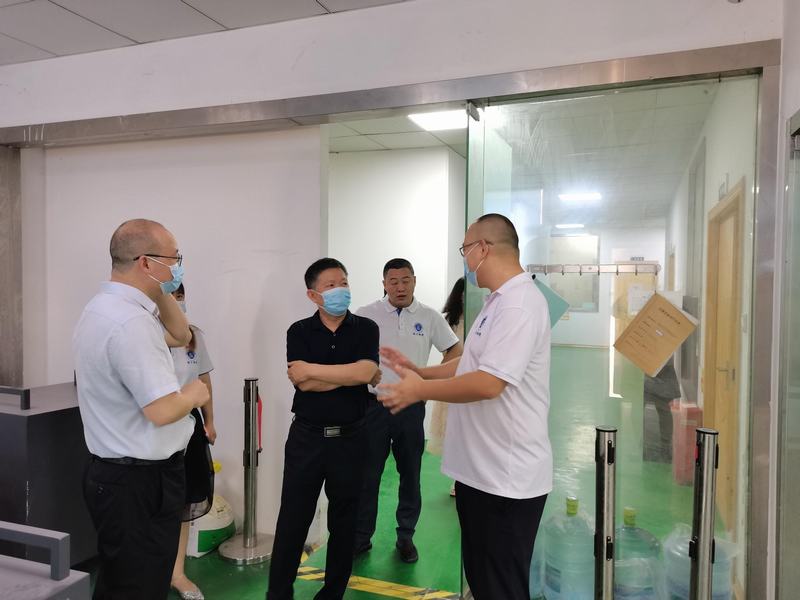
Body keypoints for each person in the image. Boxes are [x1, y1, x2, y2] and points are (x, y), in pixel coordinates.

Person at [378, 214, 551, 600]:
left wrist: (420, 391)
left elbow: (489, 383)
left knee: (501, 587)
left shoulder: (519, 305)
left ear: (483, 248)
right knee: (482, 579)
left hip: (505, 479)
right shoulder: (497, 303)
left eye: (466, 249)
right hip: (481, 474)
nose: (466, 259)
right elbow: (469, 363)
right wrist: (420, 371)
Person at [73, 219, 209, 600]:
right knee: (139, 587)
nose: (179, 267)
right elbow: (162, 410)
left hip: (119, 477)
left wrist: (161, 291)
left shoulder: (106, 308)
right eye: (174, 259)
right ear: (146, 262)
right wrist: (194, 395)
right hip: (138, 483)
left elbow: (182, 335)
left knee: (124, 581)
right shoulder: (130, 322)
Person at [267, 258, 380, 600]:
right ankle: (278, 594)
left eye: (343, 282)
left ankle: (332, 594)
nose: (340, 290)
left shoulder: (366, 328)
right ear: (313, 295)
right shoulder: (299, 331)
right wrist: (351, 374)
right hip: (307, 438)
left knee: (344, 521)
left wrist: (314, 371)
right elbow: (303, 383)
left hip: (352, 438)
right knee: (293, 520)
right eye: (331, 285)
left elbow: (365, 373)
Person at [354, 259, 462, 563]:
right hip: (373, 407)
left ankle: (406, 537)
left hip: (411, 408)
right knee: (368, 476)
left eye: (405, 280)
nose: (400, 287)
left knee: (410, 474)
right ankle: (361, 538)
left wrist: (426, 380)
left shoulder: (429, 317)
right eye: (393, 281)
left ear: (414, 281)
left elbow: (454, 351)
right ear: (384, 284)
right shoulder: (366, 314)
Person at [169, 284, 217, 600]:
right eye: (171, 296)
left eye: (181, 296)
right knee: (157, 502)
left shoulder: (194, 336)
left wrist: (210, 420)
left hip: (190, 425)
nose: (177, 302)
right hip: (157, 426)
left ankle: (177, 574)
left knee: (185, 500)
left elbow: (203, 379)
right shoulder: (144, 337)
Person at [427, 276, 465, 497]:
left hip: (472, 382)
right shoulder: (449, 321)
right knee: (453, 434)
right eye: (463, 293)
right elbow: (449, 353)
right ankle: (457, 479)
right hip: (452, 381)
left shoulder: (483, 318)